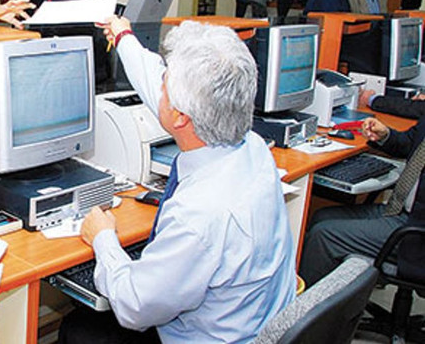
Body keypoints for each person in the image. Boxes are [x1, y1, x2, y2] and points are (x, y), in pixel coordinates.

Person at [59, 17, 296, 343]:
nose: (159, 88)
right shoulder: (252, 147)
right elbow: (160, 86)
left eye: (165, 85)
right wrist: (124, 37)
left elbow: (133, 307)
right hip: (253, 322)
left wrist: (103, 239)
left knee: (80, 331)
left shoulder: (198, 214)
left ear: (181, 115)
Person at [299, 115, 425, 286]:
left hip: (417, 233)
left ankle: (308, 309)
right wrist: (385, 135)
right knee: (321, 217)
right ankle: (339, 296)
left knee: (324, 235)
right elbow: (411, 143)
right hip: (401, 210)